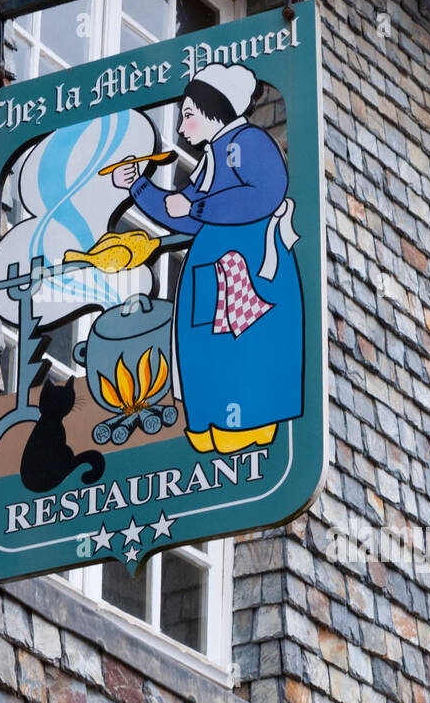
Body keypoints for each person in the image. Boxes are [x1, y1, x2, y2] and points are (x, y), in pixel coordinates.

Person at [112, 62, 303, 453]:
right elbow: (181, 213)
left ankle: (247, 427)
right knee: (206, 350)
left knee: (242, 350)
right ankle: (211, 428)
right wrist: (139, 188)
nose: (182, 129)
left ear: (212, 109)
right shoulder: (212, 158)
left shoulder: (247, 143)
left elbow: (266, 192)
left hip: (247, 269)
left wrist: (197, 209)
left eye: (187, 115)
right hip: (211, 274)